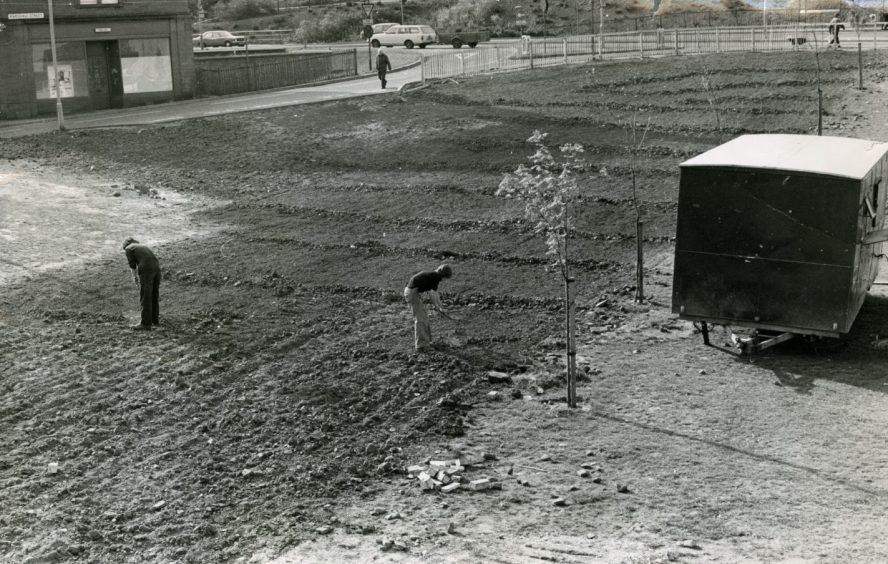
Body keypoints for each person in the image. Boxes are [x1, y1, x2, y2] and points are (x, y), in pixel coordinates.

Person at [404, 264, 453, 351]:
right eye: (446, 278)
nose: (445, 280)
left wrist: (441, 307)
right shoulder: (435, 277)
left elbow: (435, 293)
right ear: (443, 275)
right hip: (411, 293)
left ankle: (427, 341)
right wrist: (437, 307)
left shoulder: (434, 276)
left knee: (424, 317)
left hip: (413, 293)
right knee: (420, 319)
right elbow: (431, 294)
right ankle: (421, 346)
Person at [123, 237, 161, 330]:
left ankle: (145, 323)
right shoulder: (142, 246)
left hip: (146, 269)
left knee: (145, 296)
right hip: (157, 267)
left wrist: (134, 277)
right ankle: (154, 319)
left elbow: (132, 266)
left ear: (125, 245)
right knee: (154, 294)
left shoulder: (128, 249)